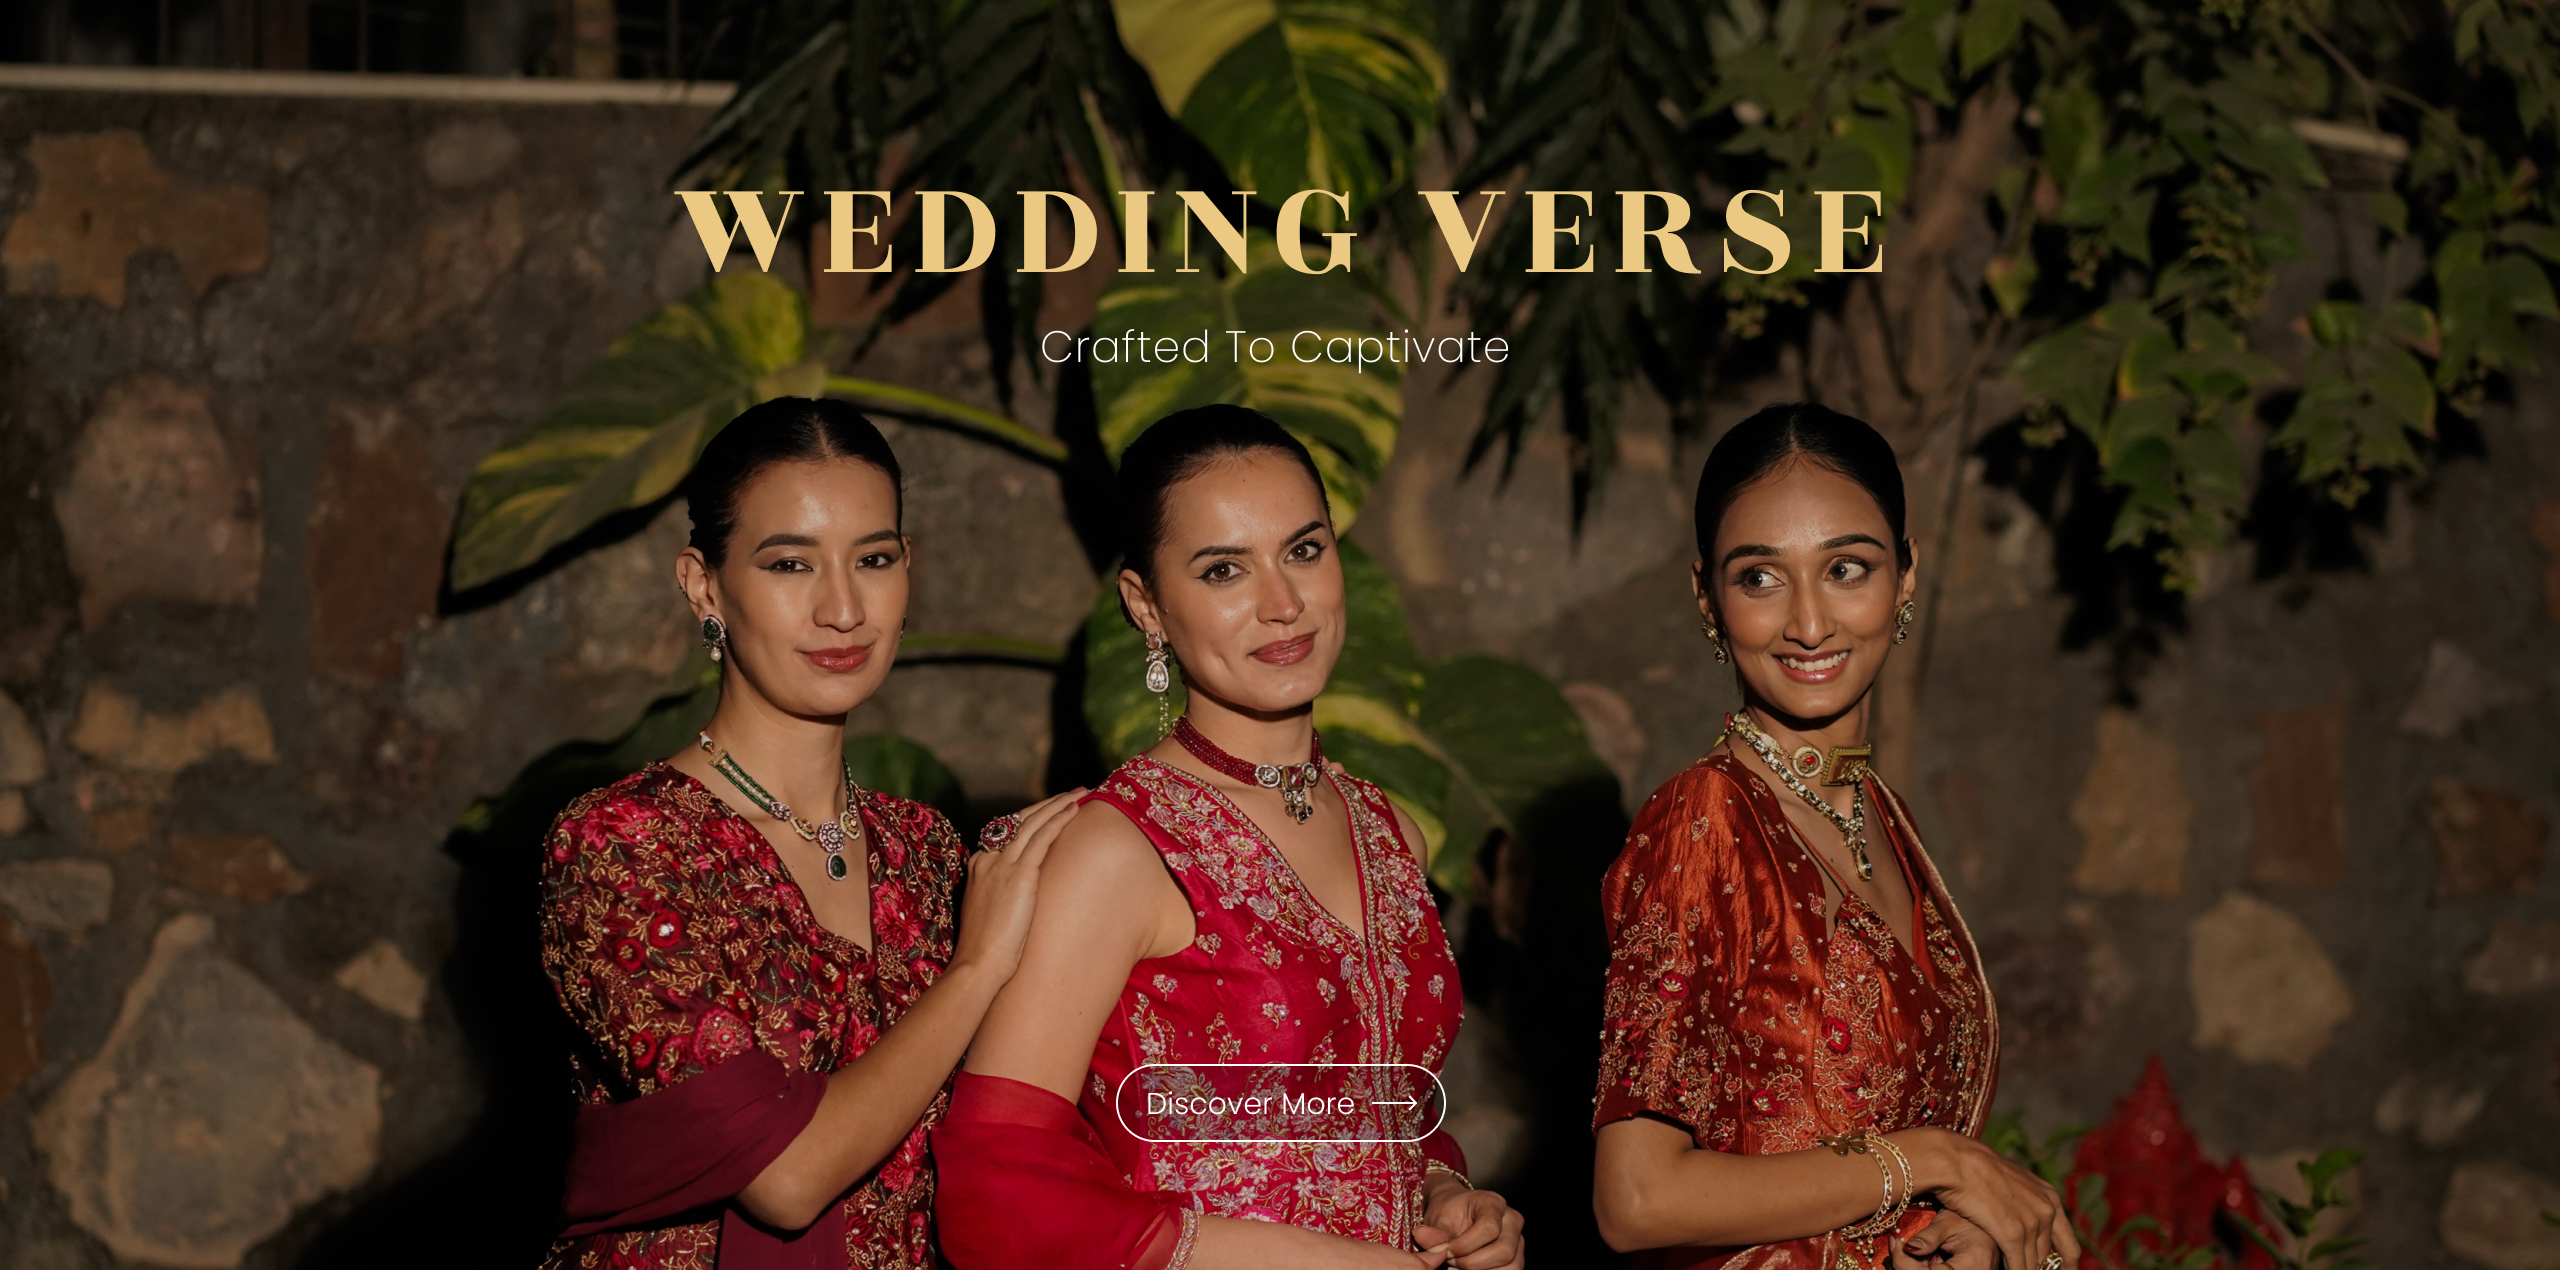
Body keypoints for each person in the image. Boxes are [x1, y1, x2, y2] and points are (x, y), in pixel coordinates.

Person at [932, 406, 1528, 1270]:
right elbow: (995, 1190)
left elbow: (1370, 1118)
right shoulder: (1119, 850)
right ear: (1147, 605)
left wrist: (1446, 1199)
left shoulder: (1390, 832)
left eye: (1304, 550)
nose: (1284, 604)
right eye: (1223, 570)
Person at [536, 398, 1081, 1269]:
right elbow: (785, 1177)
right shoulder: (626, 843)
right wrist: (979, 969)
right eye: (789, 563)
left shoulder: (925, 850)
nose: (842, 609)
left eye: (874, 559)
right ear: (702, 584)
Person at [1588, 405, 2074, 1270]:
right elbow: (1638, 1200)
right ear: (1708, 596)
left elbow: (1861, 1149)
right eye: (1761, 579)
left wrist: (1946, 1222)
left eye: (1847, 568)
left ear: (1907, 575)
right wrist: (1939, 1161)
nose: (1810, 624)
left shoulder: (1878, 812)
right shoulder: (1706, 821)